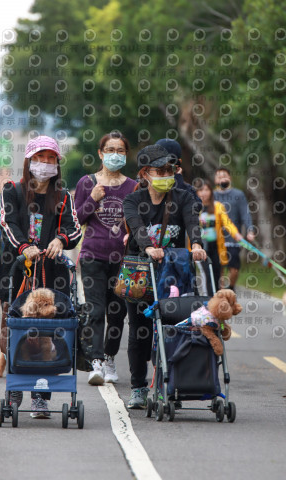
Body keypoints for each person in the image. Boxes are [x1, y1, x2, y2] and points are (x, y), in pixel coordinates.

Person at [0, 135, 82, 418]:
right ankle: (15, 385)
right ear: (29, 161)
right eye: (40, 158)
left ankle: (41, 395)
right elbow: (7, 222)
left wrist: (61, 239)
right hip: (16, 268)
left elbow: (74, 227)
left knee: (48, 332)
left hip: (50, 272)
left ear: (57, 164)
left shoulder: (63, 197)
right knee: (14, 325)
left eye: (51, 158)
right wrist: (24, 246)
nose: (45, 163)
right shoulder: (13, 190)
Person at [123, 144, 207, 409]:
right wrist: (148, 246)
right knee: (140, 331)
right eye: (160, 170)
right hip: (140, 271)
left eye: (170, 170)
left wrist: (196, 244)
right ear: (146, 173)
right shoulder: (133, 200)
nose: (166, 175)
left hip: (176, 271)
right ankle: (138, 387)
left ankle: (171, 384)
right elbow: (136, 226)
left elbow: (192, 222)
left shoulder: (182, 196)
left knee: (177, 327)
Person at [74, 131, 137, 386]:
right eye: (110, 150)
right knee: (95, 310)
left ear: (126, 154)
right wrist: (92, 199)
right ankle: (96, 362)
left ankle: (110, 357)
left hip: (123, 261)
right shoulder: (87, 183)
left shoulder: (133, 186)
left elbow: (136, 221)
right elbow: (76, 219)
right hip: (92, 256)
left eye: (120, 151)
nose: (115, 155)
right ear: (100, 154)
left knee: (117, 312)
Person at [195, 180, 243, 295]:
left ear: (211, 192)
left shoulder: (218, 206)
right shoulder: (193, 208)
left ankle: (215, 301)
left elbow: (227, 223)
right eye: (201, 190)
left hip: (216, 247)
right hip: (201, 248)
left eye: (207, 190)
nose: (204, 193)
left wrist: (236, 234)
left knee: (217, 274)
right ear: (196, 192)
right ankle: (208, 302)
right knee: (206, 274)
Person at [214, 167, 255, 291]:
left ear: (229, 178)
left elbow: (245, 214)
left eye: (224, 176)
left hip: (234, 238)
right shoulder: (212, 195)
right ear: (215, 179)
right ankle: (220, 293)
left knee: (234, 268)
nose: (222, 179)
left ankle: (231, 289)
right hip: (216, 239)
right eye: (219, 177)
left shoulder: (238, 194)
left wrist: (250, 230)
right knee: (219, 268)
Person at [155, 138, 202, 208]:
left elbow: (195, 208)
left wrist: (178, 181)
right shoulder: (142, 185)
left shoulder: (186, 188)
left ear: (178, 164)